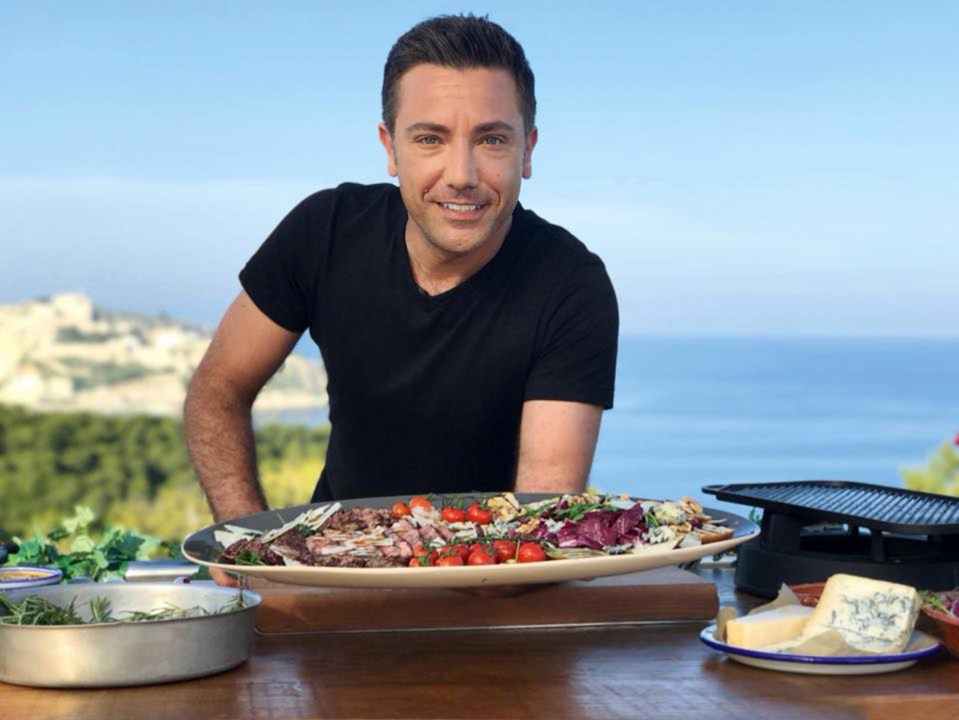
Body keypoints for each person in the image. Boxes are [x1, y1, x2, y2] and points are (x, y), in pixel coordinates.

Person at [184, 14, 618, 528]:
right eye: (430, 139)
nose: (461, 176)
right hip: (334, 571)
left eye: (492, 140)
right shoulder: (325, 230)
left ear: (528, 150)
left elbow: (534, 523)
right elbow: (218, 390)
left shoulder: (572, 285)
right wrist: (245, 543)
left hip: (495, 587)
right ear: (390, 148)